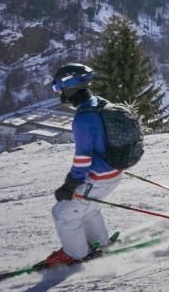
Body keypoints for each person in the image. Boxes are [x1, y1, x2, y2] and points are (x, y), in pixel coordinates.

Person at [44, 62, 124, 268]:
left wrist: (70, 184)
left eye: (59, 88)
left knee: (63, 213)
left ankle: (75, 254)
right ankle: (100, 243)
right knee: (89, 208)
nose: (59, 93)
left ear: (70, 87)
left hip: (98, 177)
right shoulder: (99, 103)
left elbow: (83, 158)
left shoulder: (83, 119)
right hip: (114, 171)